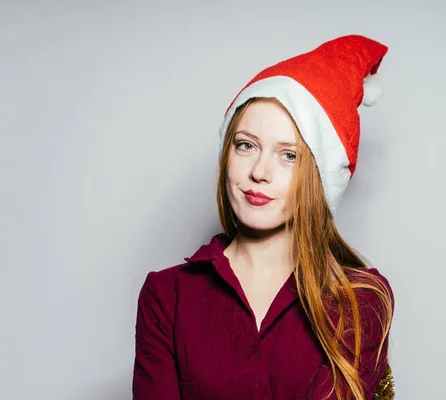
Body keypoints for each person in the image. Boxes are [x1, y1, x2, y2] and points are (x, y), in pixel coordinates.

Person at [132, 34, 395, 400]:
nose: (259, 171)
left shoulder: (361, 300)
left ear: (319, 177)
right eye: (246, 145)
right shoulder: (167, 295)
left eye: (288, 155)